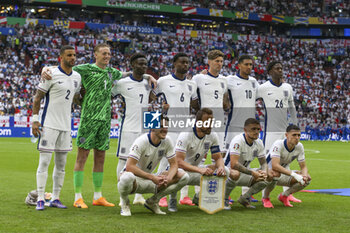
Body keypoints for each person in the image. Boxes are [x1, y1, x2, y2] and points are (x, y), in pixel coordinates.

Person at [41, 43, 156, 208]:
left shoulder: (112, 72)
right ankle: (78, 197)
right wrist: (46, 68)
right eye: (104, 53)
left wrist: (148, 77)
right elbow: (64, 67)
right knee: (82, 157)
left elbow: (131, 73)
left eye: (109, 53)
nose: (107, 56)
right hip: (89, 118)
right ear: (95, 54)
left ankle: (98, 196)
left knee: (100, 158)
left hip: (105, 120)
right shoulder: (85, 69)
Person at [32, 45, 81, 210]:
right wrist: (34, 120)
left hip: (66, 127)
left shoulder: (77, 77)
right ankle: (40, 198)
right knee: (44, 162)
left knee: (61, 164)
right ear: (61, 57)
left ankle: (55, 198)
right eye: (69, 55)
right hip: (49, 125)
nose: (73, 58)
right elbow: (37, 98)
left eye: (74, 55)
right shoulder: (50, 74)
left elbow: (75, 98)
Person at [117, 116, 189, 216]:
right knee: (127, 177)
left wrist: (168, 179)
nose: (165, 129)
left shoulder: (167, 141)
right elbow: (130, 166)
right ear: (152, 128)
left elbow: (174, 164)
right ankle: (125, 204)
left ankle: (153, 201)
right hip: (135, 181)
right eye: (161, 126)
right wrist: (152, 177)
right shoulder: (141, 141)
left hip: (151, 179)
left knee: (184, 177)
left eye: (166, 126)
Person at [153, 53, 198, 207]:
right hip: (169, 128)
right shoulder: (163, 81)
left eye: (187, 62)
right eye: (181, 62)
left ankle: (184, 196)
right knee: (165, 161)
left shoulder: (192, 84)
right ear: (174, 63)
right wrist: (161, 110)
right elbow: (151, 100)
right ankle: (160, 194)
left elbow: (194, 105)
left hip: (185, 128)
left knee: (184, 161)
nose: (185, 65)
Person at [170, 108, 228, 212]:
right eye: (207, 122)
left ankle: (199, 197)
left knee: (226, 170)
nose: (210, 125)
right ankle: (172, 200)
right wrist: (200, 170)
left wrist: (220, 167)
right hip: (180, 171)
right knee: (178, 173)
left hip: (195, 170)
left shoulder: (212, 135)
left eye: (212, 121)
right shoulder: (186, 135)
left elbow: (218, 157)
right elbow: (178, 162)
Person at [112, 53, 151, 205]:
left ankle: (139, 196)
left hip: (145, 128)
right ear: (133, 65)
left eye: (145, 64)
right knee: (123, 161)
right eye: (140, 64)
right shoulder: (122, 83)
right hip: (128, 128)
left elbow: (151, 102)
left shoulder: (149, 83)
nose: (143, 67)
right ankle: (123, 197)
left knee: (143, 161)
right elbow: (109, 94)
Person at [257, 61, 299, 203]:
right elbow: (250, 100)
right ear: (269, 71)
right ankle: (264, 196)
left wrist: (295, 124)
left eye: (281, 68)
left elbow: (292, 107)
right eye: (277, 68)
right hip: (270, 133)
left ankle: (286, 193)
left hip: (285, 132)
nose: (280, 70)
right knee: (268, 165)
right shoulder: (263, 88)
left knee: (286, 161)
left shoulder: (288, 87)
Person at [224, 55, 260, 202]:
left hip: (249, 127)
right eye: (246, 64)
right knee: (228, 160)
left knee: (249, 158)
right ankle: (225, 193)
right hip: (234, 125)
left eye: (251, 65)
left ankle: (246, 194)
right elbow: (219, 89)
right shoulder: (229, 80)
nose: (249, 67)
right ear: (238, 65)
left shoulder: (254, 82)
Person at [224, 118, 271, 209]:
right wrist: (252, 173)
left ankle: (245, 198)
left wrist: (264, 171)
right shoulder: (238, 140)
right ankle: (224, 199)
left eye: (258, 129)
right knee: (235, 173)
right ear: (245, 130)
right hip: (228, 172)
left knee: (269, 175)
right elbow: (234, 164)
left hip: (244, 173)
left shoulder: (259, 142)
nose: (257, 132)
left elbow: (264, 163)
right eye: (253, 129)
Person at [262, 125, 311, 208]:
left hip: (282, 174)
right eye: (294, 135)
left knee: (307, 178)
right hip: (267, 174)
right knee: (275, 173)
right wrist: (294, 175)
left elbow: (303, 167)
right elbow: (275, 166)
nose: (297, 138)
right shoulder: (278, 144)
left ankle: (284, 196)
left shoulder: (299, 146)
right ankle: (265, 198)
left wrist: (304, 176)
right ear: (286, 135)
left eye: (299, 135)